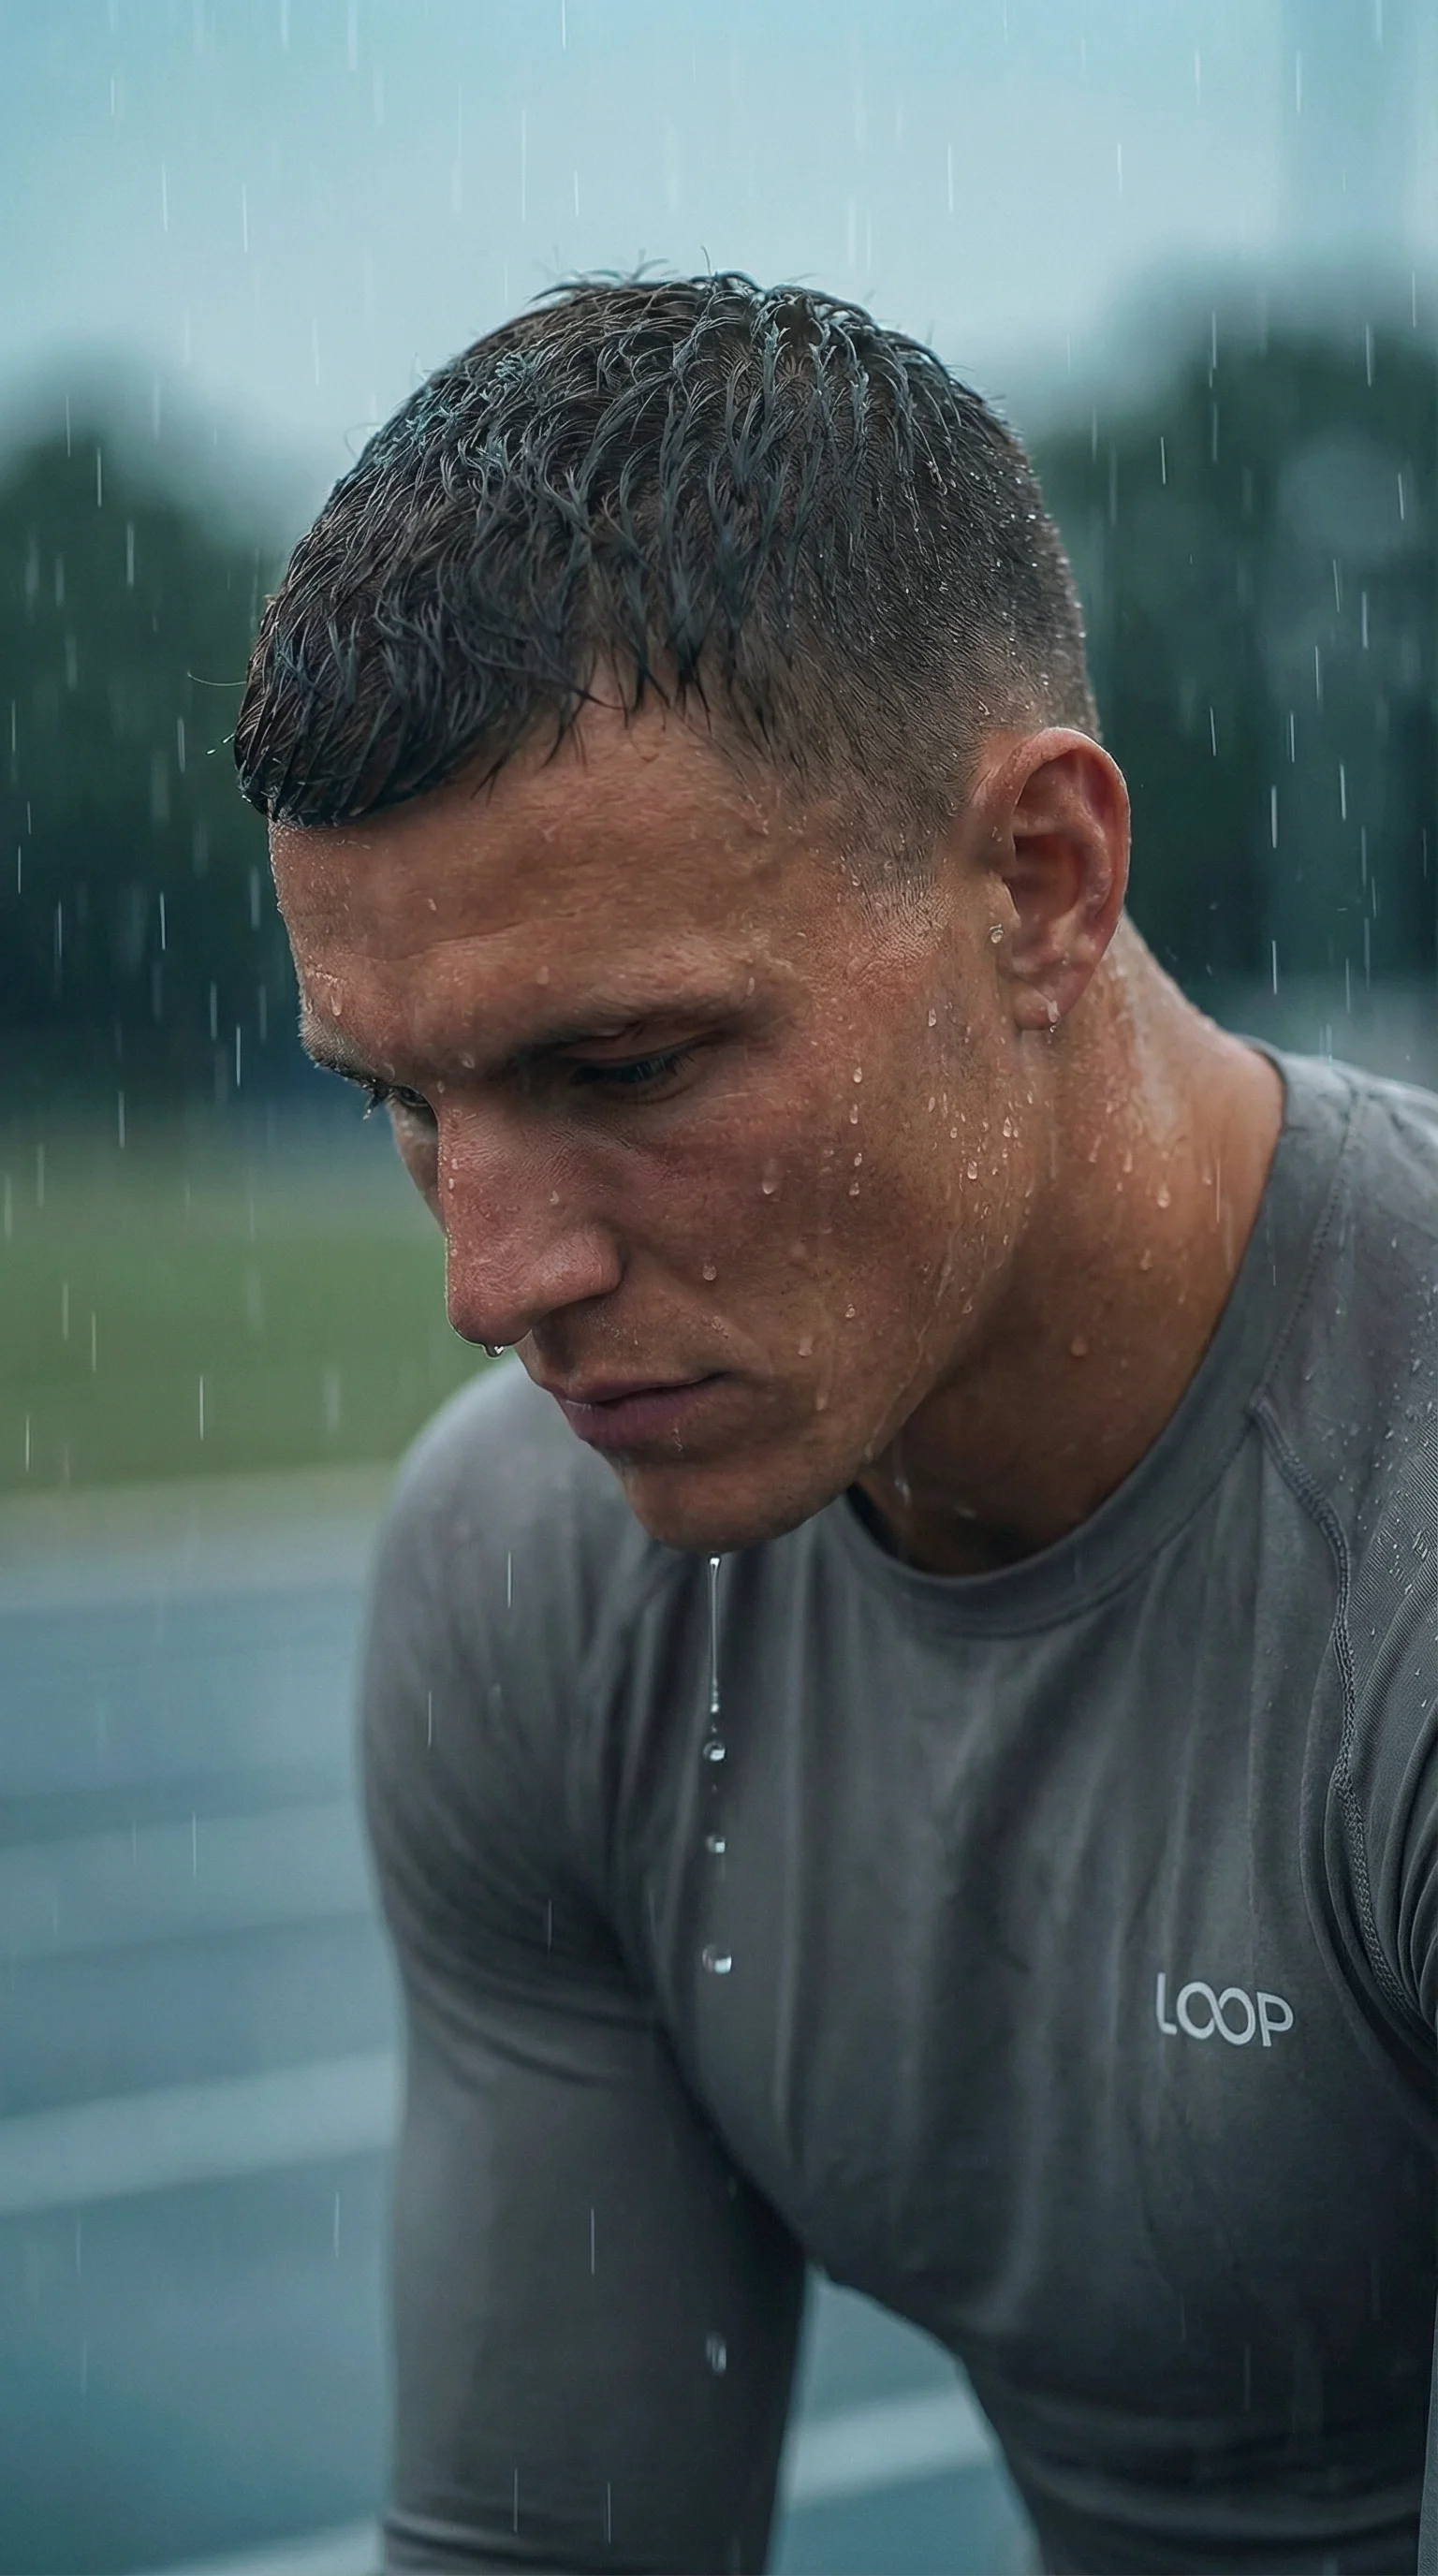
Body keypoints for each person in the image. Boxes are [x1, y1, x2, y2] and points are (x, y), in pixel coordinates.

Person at [236, 275, 1438, 2576]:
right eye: (407, 1099)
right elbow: (548, 2548)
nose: (492, 1283)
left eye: (627, 1065)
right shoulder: (535, 1576)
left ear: (1042, 882)